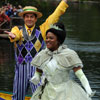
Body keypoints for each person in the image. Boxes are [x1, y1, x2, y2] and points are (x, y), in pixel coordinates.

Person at [5, 0, 68, 100]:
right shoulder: (17, 29)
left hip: (37, 69)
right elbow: (15, 35)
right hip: (21, 69)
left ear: (35, 19)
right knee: (18, 97)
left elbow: (55, 16)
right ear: (24, 18)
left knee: (40, 96)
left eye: (32, 17)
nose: (29, 19)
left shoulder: (42, 29)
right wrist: (13, 36)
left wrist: (64, 2)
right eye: (27, 16)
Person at [30, 22, 95, 100]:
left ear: (58, 40)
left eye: (51, 38)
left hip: (65, 92)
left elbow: (80, 74)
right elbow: (39, 69)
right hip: (47, 91)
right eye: (47, 38)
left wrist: (88, 88)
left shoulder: (69, 54)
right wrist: (37, 76)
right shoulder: (43, 54)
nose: (47, 40)